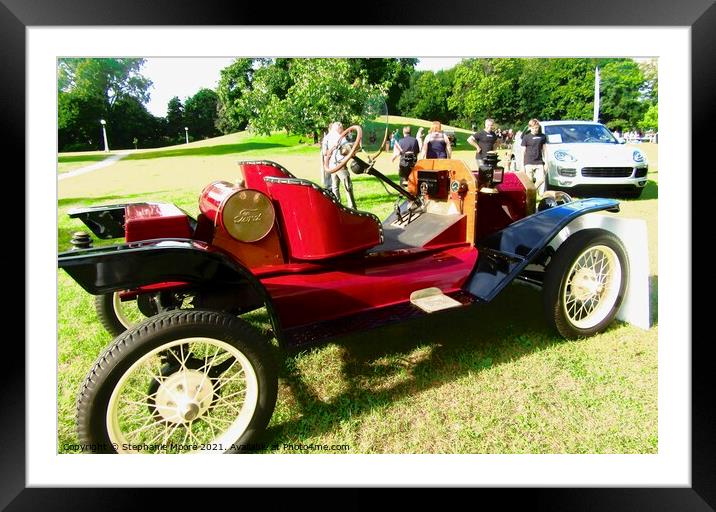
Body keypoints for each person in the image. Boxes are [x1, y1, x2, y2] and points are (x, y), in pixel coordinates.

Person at [322, 121, 357, 209]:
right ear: (339, 128)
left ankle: (337, 206)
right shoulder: (340, 137)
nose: (343, 130)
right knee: (347, 186)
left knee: (335, 187)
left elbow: (324, 152)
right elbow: (349, 150)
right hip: (341, 166)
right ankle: (352, 207)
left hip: (332, 166)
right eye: (341, 128)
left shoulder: (326, 138)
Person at [521, 118, 547, 196]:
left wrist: (547, 163)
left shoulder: (542, 136)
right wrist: (522, 165)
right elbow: (523, 152)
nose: (536, 129)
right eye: (534, 128)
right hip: (528, 161)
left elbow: (545, 150)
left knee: (541, 179)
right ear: (530, 128)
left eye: (537, 128)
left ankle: (532, 191)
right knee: (529, 181)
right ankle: (530, 195)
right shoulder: (526, 137)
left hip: (539, 161)